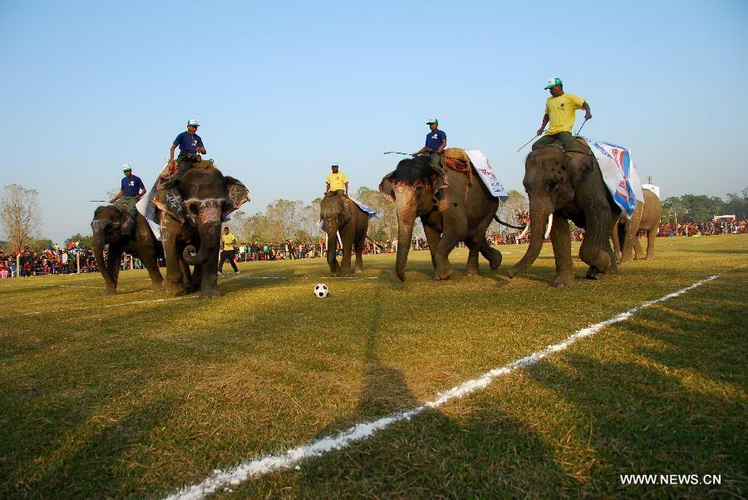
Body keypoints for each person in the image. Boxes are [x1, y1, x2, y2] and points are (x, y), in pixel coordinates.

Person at [532, 77, 592, 153]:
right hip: (551, 132)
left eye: (552, 88)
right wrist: (541, 128)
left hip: (564, 130)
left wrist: (588, 112)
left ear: (559, 86)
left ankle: (587, 154)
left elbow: (584, 104)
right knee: (536, 146)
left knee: (570, 147)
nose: (550, 91)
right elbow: (547, 115)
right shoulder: (549, 100)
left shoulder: (570, 98)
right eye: (549, 89)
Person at [163, 119, 206, 187]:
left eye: (196, 127)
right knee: (182, 173)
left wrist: (200, 150)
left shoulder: (198, 138)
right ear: (188, 126)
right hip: (184, 157)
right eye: (193, 127)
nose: (194, 129)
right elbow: (172, 148)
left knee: (209, 168)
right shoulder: (182, 136)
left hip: (195, 158)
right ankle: (173, 187)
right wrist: (171, 161)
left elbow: (204, 151)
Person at [412, 118, 448, 199]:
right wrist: (417, 153)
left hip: (436, 153)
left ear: (436, 124)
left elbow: (444, 142)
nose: (431, 126)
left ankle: (443, 176)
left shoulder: (441, 133)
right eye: (430, 125)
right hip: (427, 153)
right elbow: (426, 147)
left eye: (432, 124)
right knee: (417, 161)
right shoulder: (428, 135)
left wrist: (440, 149)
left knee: (434, 164)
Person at [109, 164, 146, 237]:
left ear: (130, 170)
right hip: (125, 198)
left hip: (133, 198)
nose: (126, 173)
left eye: (127, 171)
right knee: (113, 208)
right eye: (125, 172)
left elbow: (144, 190)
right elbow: (122, 192)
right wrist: (115, 199)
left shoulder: (137, 179)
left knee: (130, 210)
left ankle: (129, 226)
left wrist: (140, 195)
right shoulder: (123, 180)